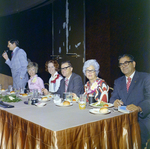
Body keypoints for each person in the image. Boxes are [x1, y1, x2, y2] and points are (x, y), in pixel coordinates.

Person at [109, 54, 150, 148]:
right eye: (121, 64)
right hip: (122, 119)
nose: (123, 66)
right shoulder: (118, 81)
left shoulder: (146, 78)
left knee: (128, 135)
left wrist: (139, 108)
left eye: (126, 63)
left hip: (141, 119)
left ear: (134, 64)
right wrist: (114, 102)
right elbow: (112, 98)